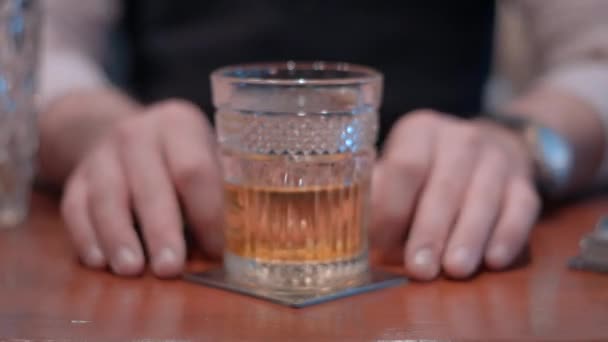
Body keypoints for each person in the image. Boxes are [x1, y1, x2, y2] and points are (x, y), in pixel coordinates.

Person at [37, 0, 608, 281]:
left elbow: (597, 54)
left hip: (430, 247)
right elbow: (36, 44)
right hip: (180, 246)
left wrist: (516, 143)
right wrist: (100, 132)